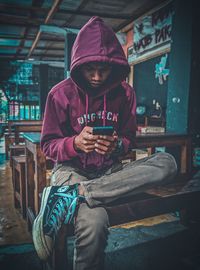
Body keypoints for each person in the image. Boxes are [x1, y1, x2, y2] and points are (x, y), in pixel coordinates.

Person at [32, 16, 177, 270]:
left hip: (110, 172)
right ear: (78, 65)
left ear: (115, 66)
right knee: (95, 221)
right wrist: (75, 143)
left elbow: (129, 140)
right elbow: (48, 145)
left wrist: (117, 145)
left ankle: (73, 196)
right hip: (71, 171)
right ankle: (74, 190)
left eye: (104, 69)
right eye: (90, 69)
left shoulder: (125, 94)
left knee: (167, 163)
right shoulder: (59, 94)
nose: (97, 76)